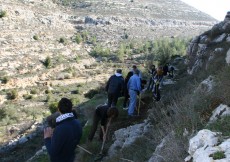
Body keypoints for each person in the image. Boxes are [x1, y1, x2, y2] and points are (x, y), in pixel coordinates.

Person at [44, 98, 82, 162]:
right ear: (71, 108)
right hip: (71, 158)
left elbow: (53, 152)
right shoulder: (77, 123)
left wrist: (47, 138)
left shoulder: (60, 128)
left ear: (58, 109)